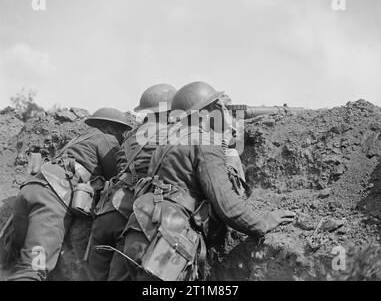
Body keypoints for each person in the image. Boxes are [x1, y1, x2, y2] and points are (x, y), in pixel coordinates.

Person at [121, 81, 296, 281]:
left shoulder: (167, 140)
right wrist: (262, 223)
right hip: (168, 238)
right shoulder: (204, 142)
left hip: (140, 228)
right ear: (208, 111)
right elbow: (226, 204)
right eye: (218, 107)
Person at [7, 108, 133, 281]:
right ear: (111, 128)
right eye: (121, 132)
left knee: (15, 263)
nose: (121, 137)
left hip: (31, 189)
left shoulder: (77, 140)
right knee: (34, 268)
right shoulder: (107, 138)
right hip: (51, 196)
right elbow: (116, 173)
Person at [87, 84, 177, 281]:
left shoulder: (129, 137)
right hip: (130, 213)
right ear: (169, 111)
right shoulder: (171, 134)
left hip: (106, 211)